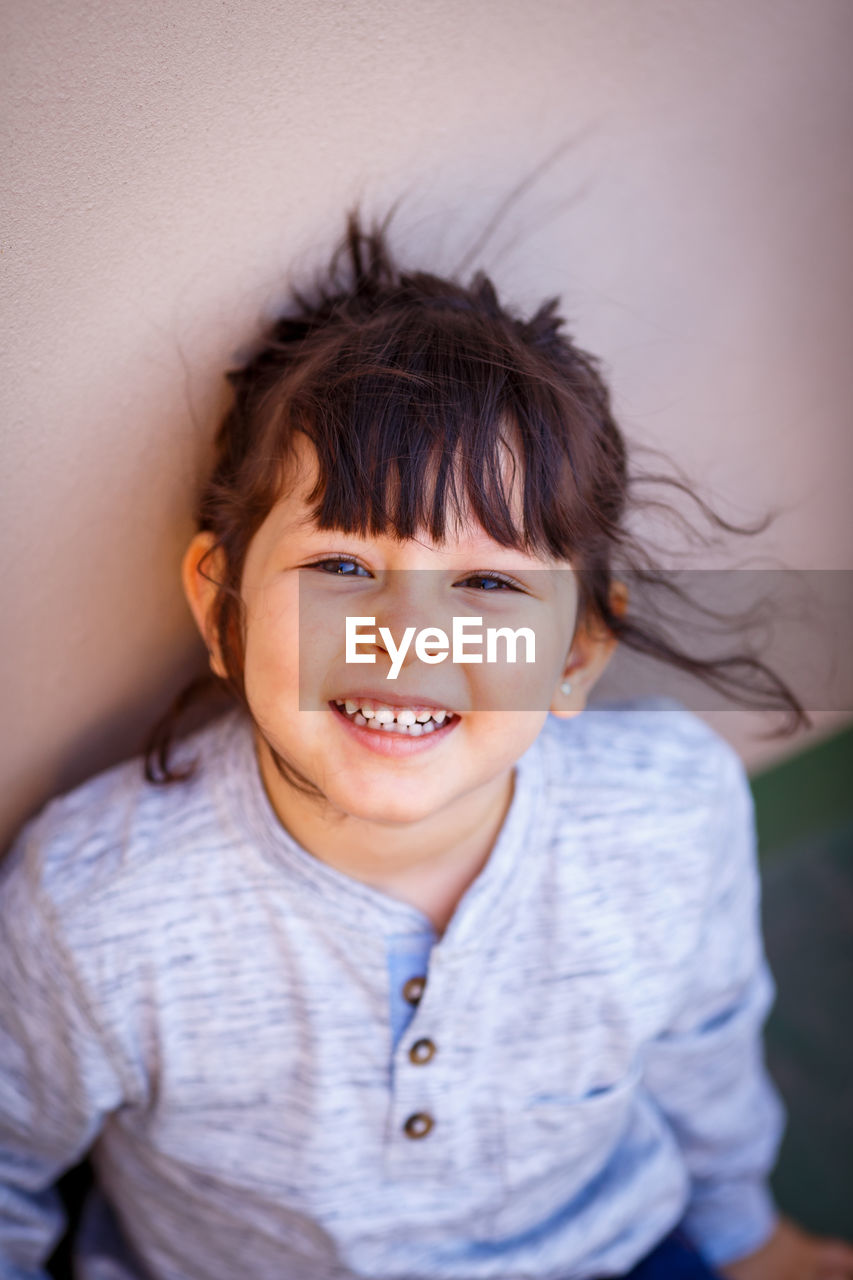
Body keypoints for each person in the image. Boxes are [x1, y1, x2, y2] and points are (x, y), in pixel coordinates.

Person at [2, 207, 852, 1280]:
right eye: (343, 567)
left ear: (577, 653)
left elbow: (704, 1049)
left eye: (489, 584)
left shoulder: (671, 813)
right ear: (222, 602)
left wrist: (749, 1236)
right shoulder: (93, 904)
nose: (406, 641)